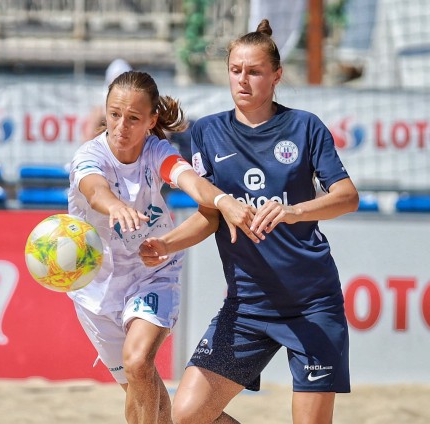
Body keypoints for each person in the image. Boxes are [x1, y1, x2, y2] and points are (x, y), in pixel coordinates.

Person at [138, 19, 360, 424]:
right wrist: (167, 244)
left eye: (254, 71)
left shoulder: (305, 126)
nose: (242, 80)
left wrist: (294, 210)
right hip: (247, 307)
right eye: (235, 70)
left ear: (276, 76)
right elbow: (210, 216)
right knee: (186, 416)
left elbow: (348, 197)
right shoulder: (208, 132)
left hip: (312, 304)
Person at [67, 70, 257, 424]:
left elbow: (190, 181)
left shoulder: (156, 151)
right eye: (114, 114)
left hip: (152, 272)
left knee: (138, 361)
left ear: (151, 121)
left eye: (133, 118)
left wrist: (221, 200)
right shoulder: (89, 156)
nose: (121, 126)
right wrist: (115, 206)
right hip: (96, 290)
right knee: (143, 387)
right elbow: (95, 190)